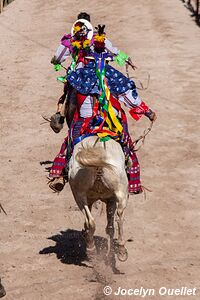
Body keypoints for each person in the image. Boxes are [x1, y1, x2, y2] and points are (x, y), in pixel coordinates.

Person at [49, 13, 156, 194]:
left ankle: (60, 172)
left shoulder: (75, 73)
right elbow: (128, 95)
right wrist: (147, 112)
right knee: (125, 139)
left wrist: (58, 63)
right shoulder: (112, 73)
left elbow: (57, 59)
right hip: (109, 117)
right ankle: (131, 176)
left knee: (70, 135)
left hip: (83, 114)